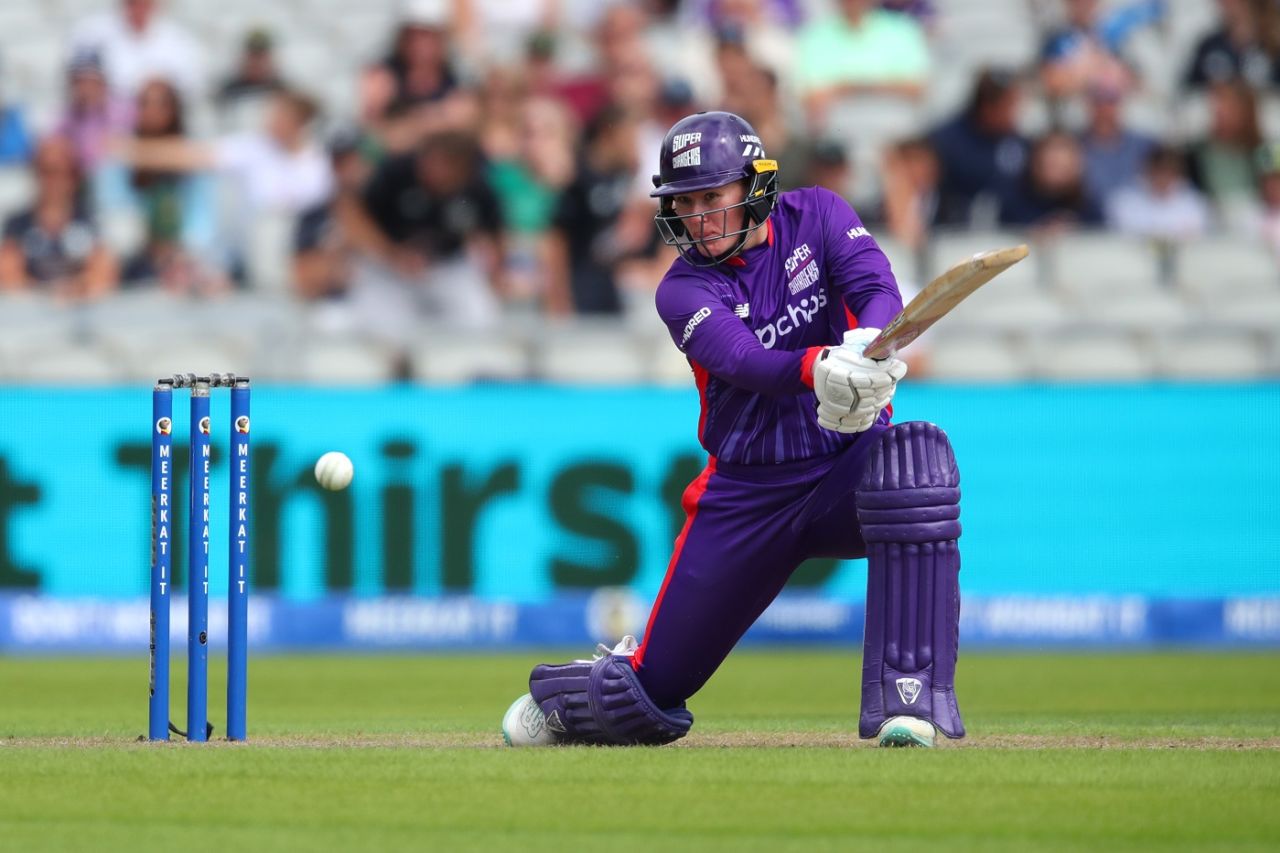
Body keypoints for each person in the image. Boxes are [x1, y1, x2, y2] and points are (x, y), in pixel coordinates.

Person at [519, 111, 965, 749]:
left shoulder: (820, 214)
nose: (698, 217)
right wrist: (817, 365)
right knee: (645, 699)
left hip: (844, 464)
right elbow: (744, 361)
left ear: (755, 188)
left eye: (712, 198)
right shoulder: (682, 287)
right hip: (748, 495)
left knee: (916, 464)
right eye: (686, 202)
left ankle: (910, 703)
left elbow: (875, 284)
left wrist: (868, 336)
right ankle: (568, 696)